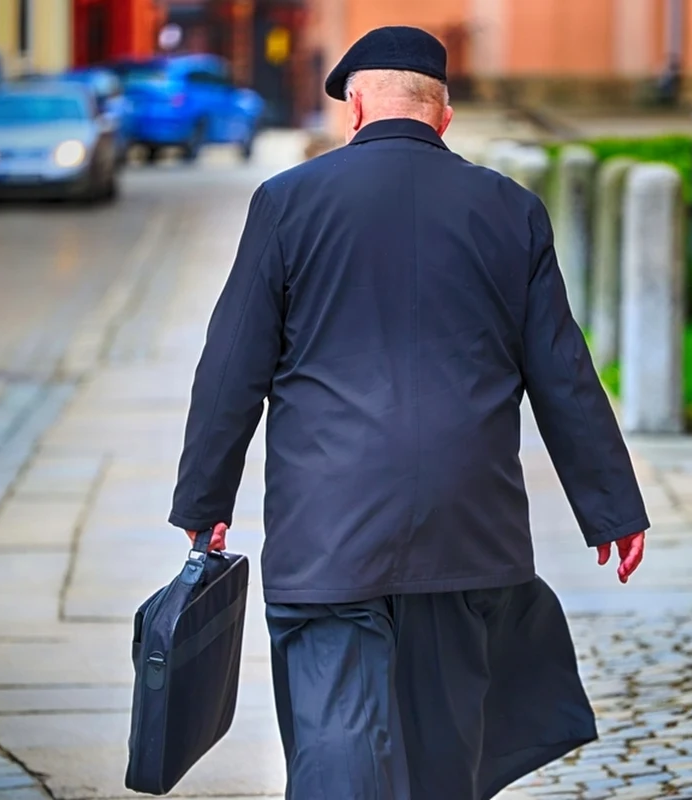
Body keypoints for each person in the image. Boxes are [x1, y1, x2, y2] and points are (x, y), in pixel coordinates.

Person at [170, 25, 650, 800]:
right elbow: (563, 369)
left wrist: (204, 505)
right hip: (466, 529)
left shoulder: (287, 204)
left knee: (335, 748)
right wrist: (612, 509)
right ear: (444, 115)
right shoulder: (511, 209)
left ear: (355, 107)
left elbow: (232, 369)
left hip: (329, 533)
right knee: (443, 756)